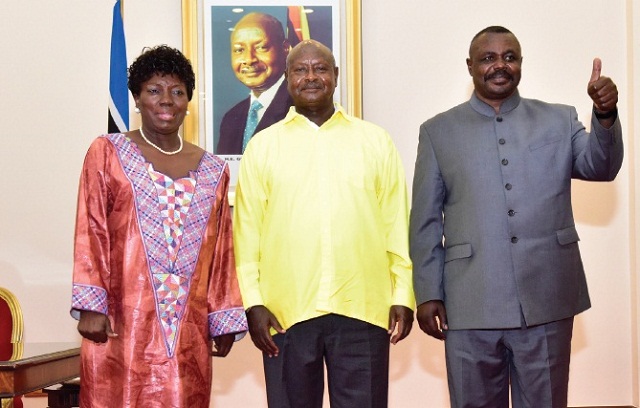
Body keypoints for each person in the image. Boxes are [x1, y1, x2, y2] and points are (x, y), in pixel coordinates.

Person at [410, 26, 623, 407]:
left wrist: (604, 115)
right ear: (470, 66)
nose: (499, 65)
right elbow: (425, 221)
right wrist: (427, 292)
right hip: (469, 301)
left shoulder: (559, 119)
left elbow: (600, 166)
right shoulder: (438, 131)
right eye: (488, 58)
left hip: (547, 298)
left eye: (509, 57)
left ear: (520, 63)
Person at [233, 39, 415, 408]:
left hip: (363, 309)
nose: (311, 76)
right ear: (287, 79)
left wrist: (402, 294)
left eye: (320, 68)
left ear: (335, 76)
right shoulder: (263, 147)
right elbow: (247, 232)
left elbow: (396, 223)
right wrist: (252, 303)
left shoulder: (375, 141)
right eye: (301, 69)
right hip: (285, 313)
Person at [70, 45, 248, 408]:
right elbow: (91, 227)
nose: (166, 100)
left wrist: (223, 316)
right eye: (154, 90)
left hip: (188, 329)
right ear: (137, 98)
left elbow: (223, 250)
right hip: (119, 324)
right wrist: (91, 303)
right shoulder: (107, 152)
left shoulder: (214, 169)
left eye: (177, 92)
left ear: (188, 101)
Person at [216, 12, 293, 155]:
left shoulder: (301, 110)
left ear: (285, 49)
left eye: (261, 47)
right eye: (239, 50)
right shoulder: (231, 118)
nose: (249, 59)